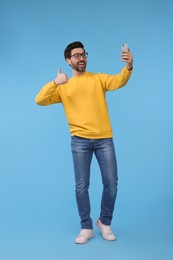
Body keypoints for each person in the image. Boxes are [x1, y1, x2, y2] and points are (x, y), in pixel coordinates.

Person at [35, 41, 133, 244]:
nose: (82, 58)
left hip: (104, 138)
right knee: (81, 186)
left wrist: (129, 66)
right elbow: (40, 100)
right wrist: (55, 83)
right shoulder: (63, 86)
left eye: (84, 54)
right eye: (77, 55)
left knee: (111, 184)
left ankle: (104, 222)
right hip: (79, 141)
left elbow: (118, 81)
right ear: (68, 60)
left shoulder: (98, 79)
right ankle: (86, 227)